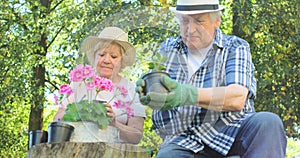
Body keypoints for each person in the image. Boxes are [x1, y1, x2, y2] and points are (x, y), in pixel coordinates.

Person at [136, 0, 287, 157]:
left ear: (217, 21)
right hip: (184, 139)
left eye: (199, 21)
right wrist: (148, 88)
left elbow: (237, 98)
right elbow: (160, 95)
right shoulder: (168, 48)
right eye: (185, 21)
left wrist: (186, 94)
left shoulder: (235, 46)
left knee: (268, 122)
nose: (190, 29)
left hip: (231, 130)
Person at [54, 27, 146, 144]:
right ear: (94, 56)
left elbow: (136, 136)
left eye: (113, 56)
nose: (106, 60)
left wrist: (114, 123)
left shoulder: (132, 90)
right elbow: (57, 119)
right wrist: (80, 113)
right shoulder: (80, 83)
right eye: (102, 54)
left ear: (123, 61)